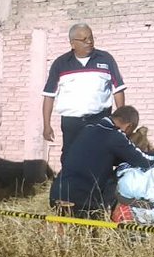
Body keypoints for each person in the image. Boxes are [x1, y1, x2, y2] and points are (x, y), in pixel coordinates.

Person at [49, 105, 154, 217]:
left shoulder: (88, 129)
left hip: (56, 194)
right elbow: (144, 160)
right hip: (82, 202)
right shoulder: (115, 136)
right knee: (117, 178)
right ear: (128, 127)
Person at [41, 23, 127, 164]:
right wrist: (46, 125)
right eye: (84, 39)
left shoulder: (106, 59)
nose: (89, 42)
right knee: (71, 159)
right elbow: (49, 96)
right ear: (73, 44)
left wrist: (121, 119)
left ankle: (99, 179)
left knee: (101, 157)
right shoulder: (61, 64)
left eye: (91, 37)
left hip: (100, 119)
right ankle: (71, 179)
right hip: (72, 123)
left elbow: (118, 90)